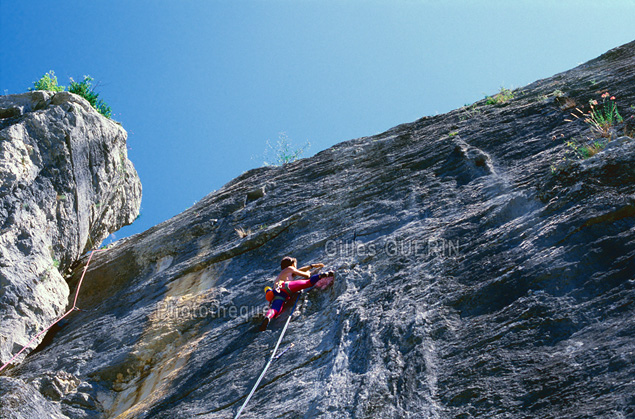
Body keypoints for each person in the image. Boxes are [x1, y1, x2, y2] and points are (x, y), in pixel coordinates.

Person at [260, 256, 333, 331]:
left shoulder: (281, 274)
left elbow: (298, 270)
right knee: (308, 282)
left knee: (275, 309)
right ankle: (322, 275)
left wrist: (312, 266)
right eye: (295, 264)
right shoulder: (290, 268)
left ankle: (268, 317)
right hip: (287, 286)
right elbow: (306, 275)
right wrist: (308, 272)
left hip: (277, 292)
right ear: (292, 264)